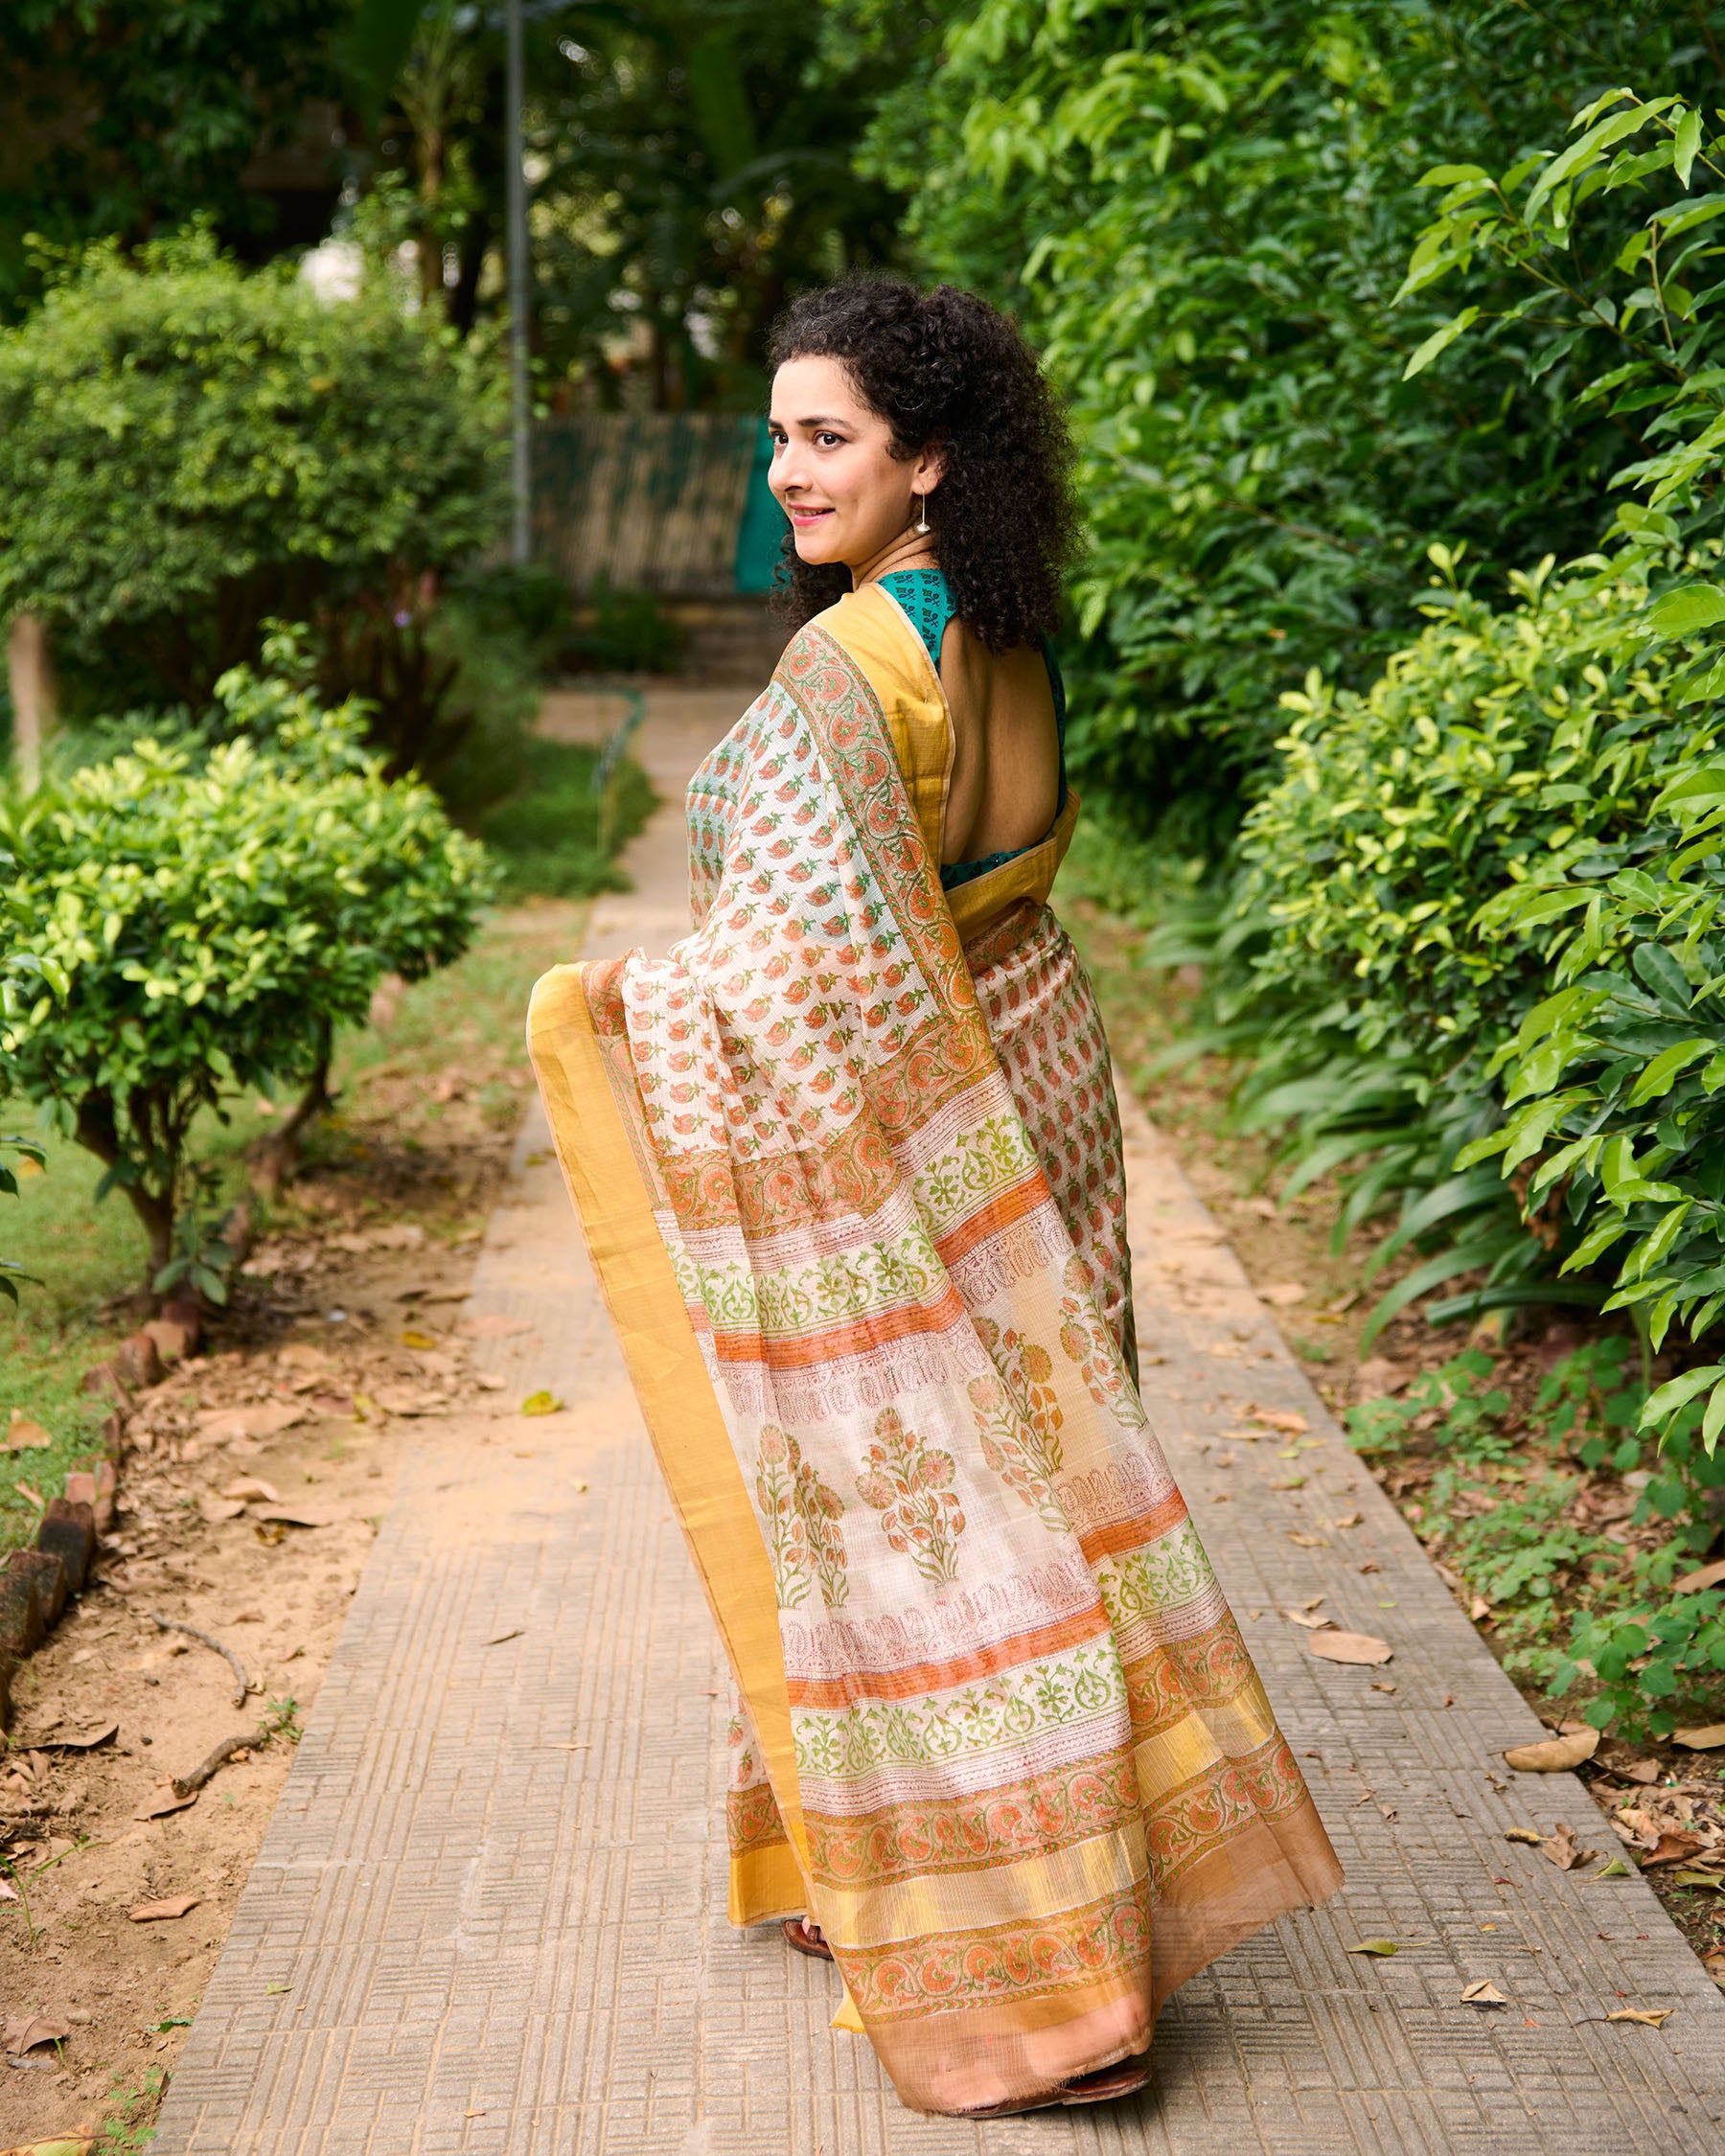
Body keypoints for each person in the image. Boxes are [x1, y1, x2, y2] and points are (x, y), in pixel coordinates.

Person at [528, 275, 1341, 2119]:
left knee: (937, 1511)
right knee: (1055, 1476)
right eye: (781, 433)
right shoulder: (1005, 624)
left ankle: (1028, 1960)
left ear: (927, 459)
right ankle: (1065, 1878)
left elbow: (787, 979)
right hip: (1042, 1067)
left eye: (828, 438)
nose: (786, 467)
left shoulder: (841, 672)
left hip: (916, 1108)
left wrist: (619, 1007)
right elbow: (1003, 886)